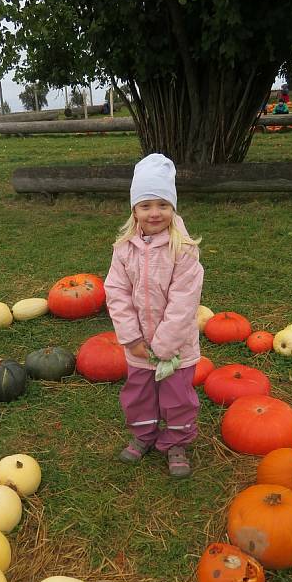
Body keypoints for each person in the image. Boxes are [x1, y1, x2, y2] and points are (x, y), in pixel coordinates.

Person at [104, 153, 204, 478]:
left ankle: (176, 442)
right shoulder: (123, 249)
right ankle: (144, 435)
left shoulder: (184, 249)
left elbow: (184, 302)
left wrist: (163, 346)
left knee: (177, 399)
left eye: (162, 204)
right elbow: (116, 292)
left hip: (175, 349)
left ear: (173, 207)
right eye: (146, 205)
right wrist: (131, 338)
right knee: (138, 395)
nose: (154, 213)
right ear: (134, 209)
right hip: (137, 348)